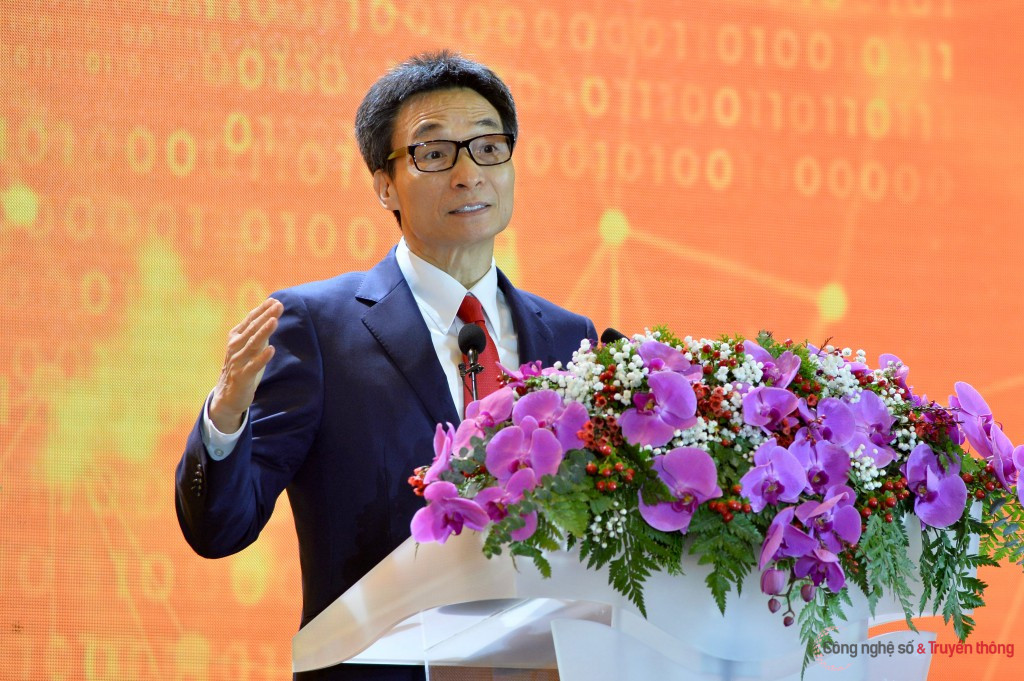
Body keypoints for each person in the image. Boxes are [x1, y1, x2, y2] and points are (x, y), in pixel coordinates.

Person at [175, 51, 596, 680]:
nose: (468, 175)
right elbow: (220, 530)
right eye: (435, 153)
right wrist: (226, 417)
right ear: (385, 185)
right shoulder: (317, 326)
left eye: (488, 148)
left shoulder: (570, 336)